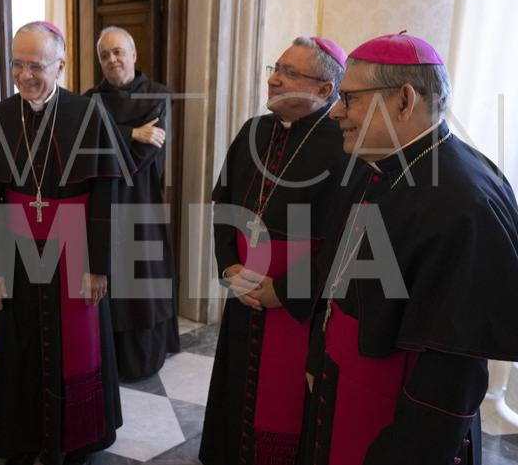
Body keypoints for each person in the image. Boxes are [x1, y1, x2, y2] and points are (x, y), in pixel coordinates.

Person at [299, 33, 518, 465]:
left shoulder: (468, 203)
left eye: (351, 99)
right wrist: (318, 358)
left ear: (403, 100)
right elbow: (337, 279)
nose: (336, 113)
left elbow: (451, 369)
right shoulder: (373, 165)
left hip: (398, 424)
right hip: (343, 387)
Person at [0, 21, 133, 465]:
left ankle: (78, 437)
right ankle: (23, 436)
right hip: (16, 249)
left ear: (61, 64)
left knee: (78, 343)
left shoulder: (89, 115)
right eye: (17, 63)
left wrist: (98, 265)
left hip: (76, 245)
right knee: (21, 346)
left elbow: (106, 193)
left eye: (35, 64)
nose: (24, 74)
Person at [200, 36, 349, 465]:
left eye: (289, 73)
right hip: (245, 289)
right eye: (275, 68)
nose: (275, 80)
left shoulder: (343, 144)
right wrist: (229, 266)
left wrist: (283, 290)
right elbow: (224, 206)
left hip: (298, 308)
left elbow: (346, 243)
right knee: (237, 393)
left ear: (324, 89)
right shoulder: (254, 130)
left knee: (286, 407)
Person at [84, 26, 179, 380]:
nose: (112, 60)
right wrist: (130, 133)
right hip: (101, 205)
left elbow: (135, 158)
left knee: (141, 284)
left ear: (134, 55)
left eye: (118, 52)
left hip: (140, 203)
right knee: (108, 281)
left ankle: (141, 361)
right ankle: (109, 360)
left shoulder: (156, 95)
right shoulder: (90, 100)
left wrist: (123, 140)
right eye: (105, 55)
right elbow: (85, 151)